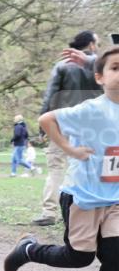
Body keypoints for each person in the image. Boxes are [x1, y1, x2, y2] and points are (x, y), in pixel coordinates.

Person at [3, 45, 119, 271]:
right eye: (115, 68)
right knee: (79, 258)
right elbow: (46, 120)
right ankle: (27, 250)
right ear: (99, 77)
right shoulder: (91, 109)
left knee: (117, 256)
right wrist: (69, 148)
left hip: (115, 199)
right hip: (84, 197)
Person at [33, 30, 103, 226]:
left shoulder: (62, 65)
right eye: (97, 43)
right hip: (92, 123)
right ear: (90, 45)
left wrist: (43, 125)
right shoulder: (103, 68)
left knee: (56, 168)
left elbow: (50, 96)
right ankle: (89, 211)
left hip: (62, 122)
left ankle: (49, 212)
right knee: (91, 166)